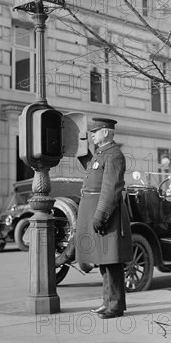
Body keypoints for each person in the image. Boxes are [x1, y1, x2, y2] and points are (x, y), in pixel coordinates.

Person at [58, 117, 133, 319]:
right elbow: (92, 168)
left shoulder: (114, 155)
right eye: (91, 132)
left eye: (96, 131)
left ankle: (115, 306)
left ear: (106, 132)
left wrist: (101, 216)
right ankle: (108, 302)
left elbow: (110, 189)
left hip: (106, 214)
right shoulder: (102, 154)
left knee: (112, 262)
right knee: (103, 261)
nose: (92, 134)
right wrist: (78, 146)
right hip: (95, 211)